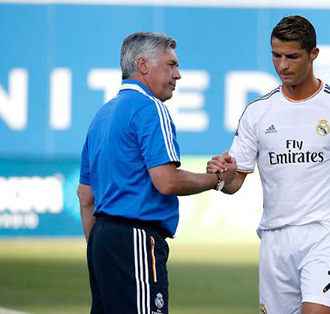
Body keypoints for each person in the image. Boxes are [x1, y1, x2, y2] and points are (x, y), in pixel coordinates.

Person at [207, 16, 330, 314]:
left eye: (292, 56)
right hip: (274, 239)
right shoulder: (257, 112)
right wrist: (222, 177)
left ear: (313, 54)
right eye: (276, 55)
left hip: (325, 234)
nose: (283, 65)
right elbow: (235, 181)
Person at [77, 32, 236, 314]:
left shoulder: (102, 115)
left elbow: (85, 194)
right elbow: (166, 181)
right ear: (143, 65)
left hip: (101, 240)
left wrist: (97, 248)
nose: (178, 74)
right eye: (171, 65)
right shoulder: (150, 108)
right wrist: (217, 179)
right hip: (136, 237)